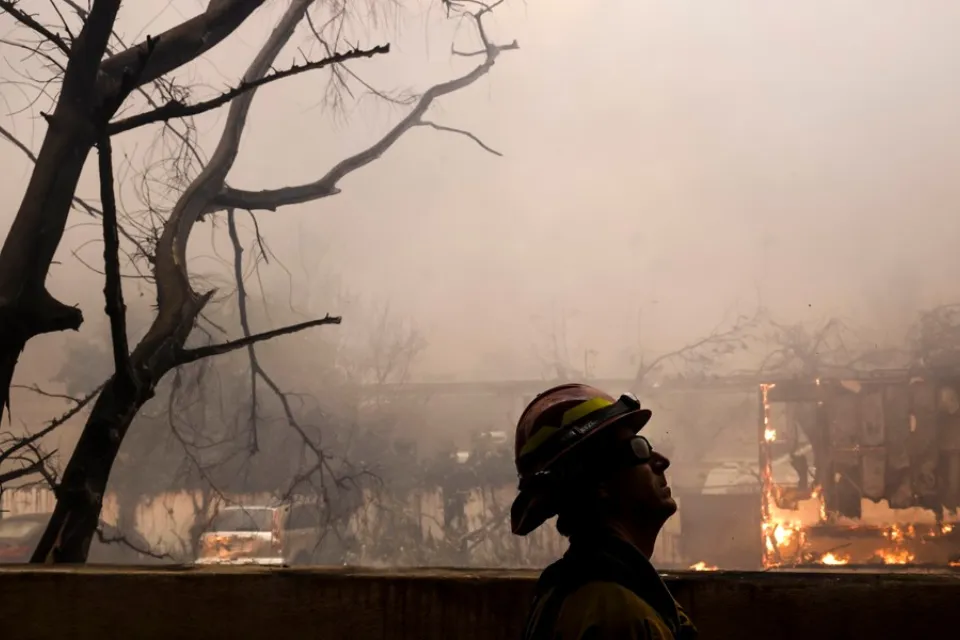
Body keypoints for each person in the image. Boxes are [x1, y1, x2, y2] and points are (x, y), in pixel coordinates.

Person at [511, 383, 698, 640]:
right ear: (600, 485)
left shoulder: (577, 592)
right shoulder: (620, 618)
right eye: (638, 448)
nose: (661, 461)